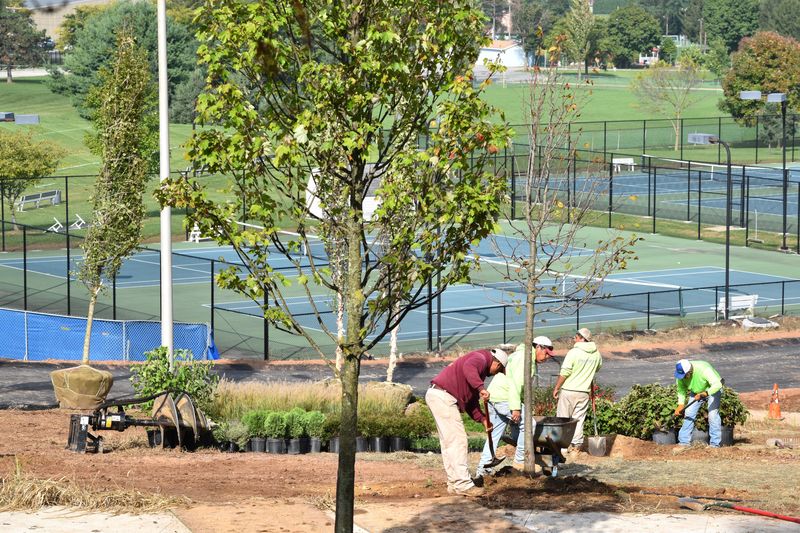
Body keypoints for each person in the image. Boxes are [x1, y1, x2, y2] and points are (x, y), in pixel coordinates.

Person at [426, 347, 508, 497]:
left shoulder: (479, 370)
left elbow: (471, 402)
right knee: (458, 441)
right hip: (444, 396)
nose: (495, 374)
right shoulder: (480, 358)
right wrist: (481, 388)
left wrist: (483, 419)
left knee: (449, 443)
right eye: (499, 370)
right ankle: (463, 484)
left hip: (438, 395)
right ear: (497, 364)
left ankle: (454, 483)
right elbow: (468, 367)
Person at [476, 336, 554, 476]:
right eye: (546, 352)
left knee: (493, 434)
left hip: (495, 395)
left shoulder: (522, 355)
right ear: (538, 347)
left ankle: (482, 470)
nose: (547, 357)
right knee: (530, 425)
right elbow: (514, 384)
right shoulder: (524, 359)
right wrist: (516, 407)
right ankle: (520, 461)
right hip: (504, 397)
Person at [552, 328, 602, 452]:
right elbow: (597, 368)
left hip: (569, 390)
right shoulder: (596, 354)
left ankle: (562, 448)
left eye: (576, 336)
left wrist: (556, 387)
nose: (574, 338)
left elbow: (565, 372)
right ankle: (576, 446)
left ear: (581, 338)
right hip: (583, 392)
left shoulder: (574, 352)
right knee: (578, 419)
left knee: (563, 418)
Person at [673, 359, 724, 448]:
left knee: (712, 415)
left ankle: (715, 445)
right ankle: (684, 442)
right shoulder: (680, 375)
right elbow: (681, 390)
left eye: (685, 375)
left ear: (690, 371)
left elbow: (717, 384)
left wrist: (705, 393)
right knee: (689, 412)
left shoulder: (704, 369)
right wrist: (680, 404)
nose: (683, 378)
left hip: (713, 389)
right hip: (697, 391)